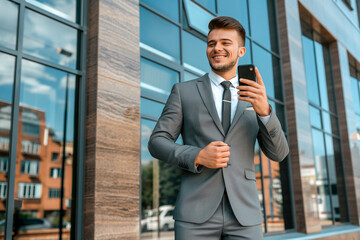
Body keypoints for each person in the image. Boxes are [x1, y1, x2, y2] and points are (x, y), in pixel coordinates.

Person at [148, 16, 289, 240]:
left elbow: (279, 153)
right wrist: (197, 155)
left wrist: (265, 112)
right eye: (212, 43)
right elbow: (157, 142)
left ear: (241, 51)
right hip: (195, 214)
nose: (217, 48)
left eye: (225, 42)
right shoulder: (184, 92)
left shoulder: (256, 96)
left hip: (245, 215)